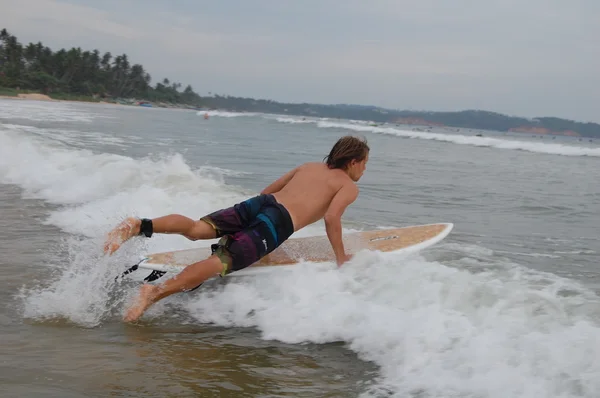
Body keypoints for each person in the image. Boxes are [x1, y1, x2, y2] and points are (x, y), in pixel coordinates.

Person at [105, 135, 370, 322]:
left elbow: (268, 191)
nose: (364, 170)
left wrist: (256, 231)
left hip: (261, 204)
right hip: (278, 221)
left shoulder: (309, 167)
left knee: (198, 228)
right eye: (365, 164)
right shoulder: (348, 186)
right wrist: (340, 257)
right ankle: (155, 292)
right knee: (222, 260)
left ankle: (139, 225)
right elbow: (332, 218)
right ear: (354, 162)